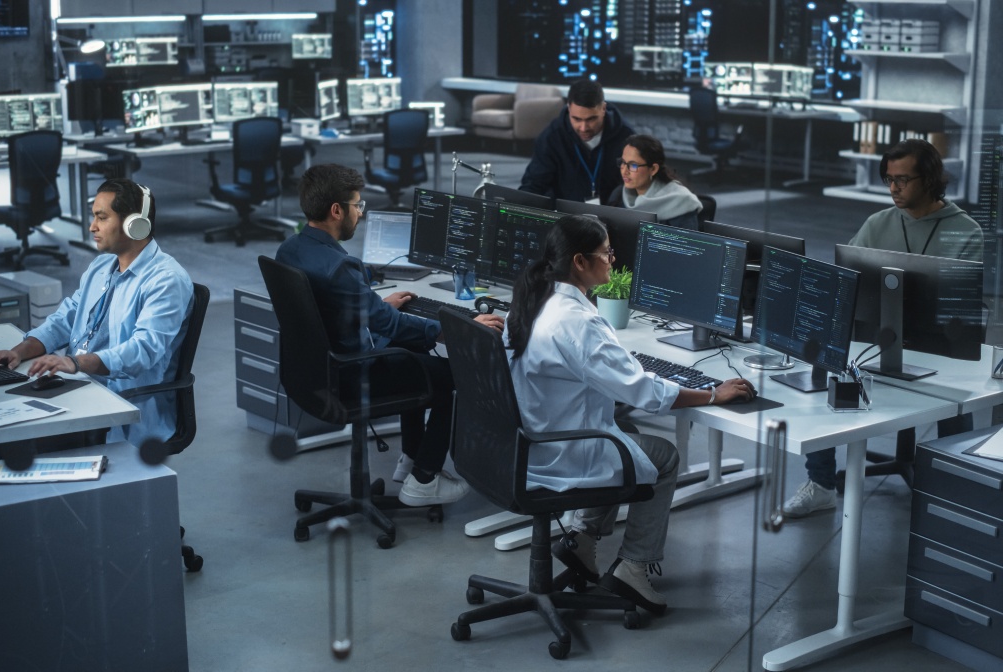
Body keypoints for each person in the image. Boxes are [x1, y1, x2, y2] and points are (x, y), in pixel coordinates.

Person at [504, 214, 756, 613]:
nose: (613, 259)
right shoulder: (578, 322)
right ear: (580, 263)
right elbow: (643, 391)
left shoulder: (535, 300)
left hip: (529, 442)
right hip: (558, 453)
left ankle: (583, 537)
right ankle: (634, 568)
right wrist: (712, 394)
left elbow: (618, 383)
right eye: (606, 253)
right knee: (665, 457)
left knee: (623, 426)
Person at [275, 163, 505, 507]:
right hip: (350, 377)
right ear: (336, 210)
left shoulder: (291, 250)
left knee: (411, 349)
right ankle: (425, 479)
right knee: (455, 377)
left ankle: (412, 457)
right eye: (357, 206)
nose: (360, 214)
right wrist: (454, 329)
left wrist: (373, 304)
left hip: (311, 375)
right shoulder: (340, 267)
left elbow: (337, 309)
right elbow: (390, 325)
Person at [784, 138, 984, 518]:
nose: (893, 188)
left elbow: (963, 305)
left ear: (929, 179)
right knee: (824, 363)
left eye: (903, 180)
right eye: (889, 179)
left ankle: (957, 488)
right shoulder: (878, 222)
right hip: (876, 333)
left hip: (938, 342)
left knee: (959, 399)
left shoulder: (965, 230)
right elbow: (848, 279)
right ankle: (822, 484)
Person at [0, 178, 194, 448]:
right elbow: (65, 320)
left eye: (102, 218)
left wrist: (76, 363)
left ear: (134, 225)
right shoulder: (102, 266)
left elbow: (143, 351)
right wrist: (20, 351)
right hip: (77, 387)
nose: (92, 227)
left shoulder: (166, 281)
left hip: (123, 403)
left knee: (13, 444)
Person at [519, 79, 634, 204]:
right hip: (565, 214)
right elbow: (534, 184)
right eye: (577, 119)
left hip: (611, 214)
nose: (583, 128)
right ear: (569, 109)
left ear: (603, 108)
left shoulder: (627, 138)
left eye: (591, 119)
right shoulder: (552, 137)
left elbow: (637, 185)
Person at [609, 134, 703, 229]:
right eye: (623, 163)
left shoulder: (681, 201)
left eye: (633, 165)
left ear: (653, 169)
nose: (624, 171)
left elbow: (685, 243)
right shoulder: (618, 195)